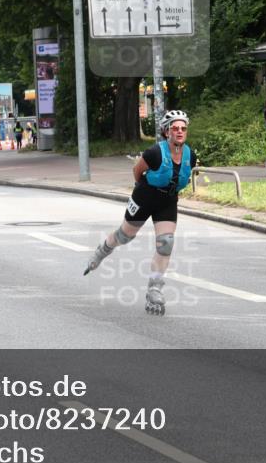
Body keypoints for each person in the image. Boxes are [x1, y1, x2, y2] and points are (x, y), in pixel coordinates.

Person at [83, 110, 196, 316]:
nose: (180, 132)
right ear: (166, 131)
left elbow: (183, 176)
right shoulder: (154, 152)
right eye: (175, 128)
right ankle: (102, 250)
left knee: (166, 243)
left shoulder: (190, 154)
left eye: (183, 128)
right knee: (125, 236)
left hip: (167, 200)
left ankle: (154, 289)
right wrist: (140, 188)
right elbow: (137, 170)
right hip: (145, 196)